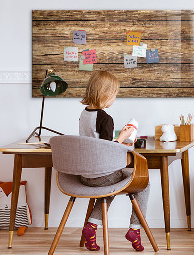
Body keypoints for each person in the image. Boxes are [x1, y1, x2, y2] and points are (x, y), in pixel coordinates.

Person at [79, 71, 149, 252]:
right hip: (102, 175)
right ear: (106, 94)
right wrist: (124, 137)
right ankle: (135, 229)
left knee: (109, 186)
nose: (115, 98)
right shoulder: (105, 118)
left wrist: (119, 138)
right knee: (144, 183)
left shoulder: (84, 114)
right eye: (115, 94)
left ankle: (91, 227)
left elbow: (96, 143)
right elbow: (107, 150)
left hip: (85, 175)